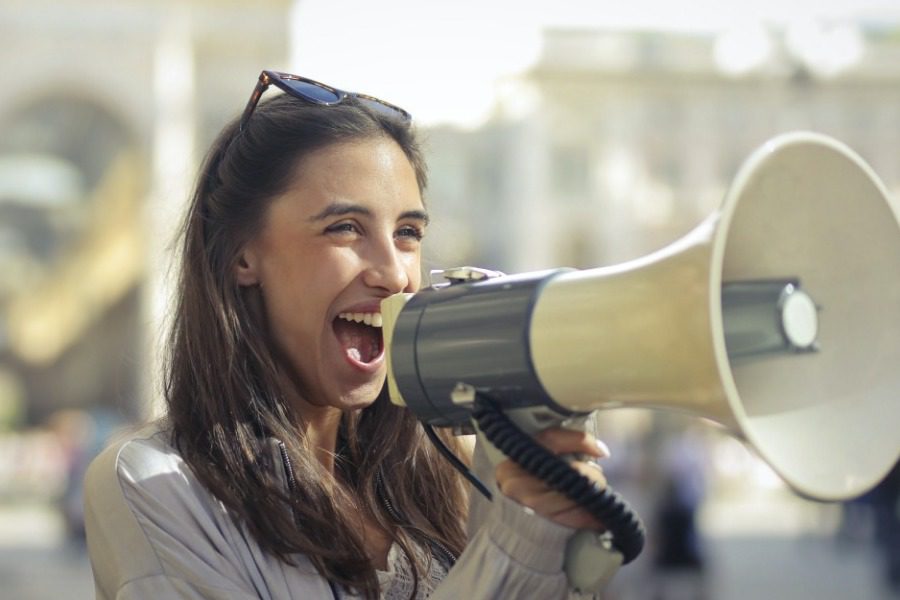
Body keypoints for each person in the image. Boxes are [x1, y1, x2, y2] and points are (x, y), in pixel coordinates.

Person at [83, 70, 610, 599]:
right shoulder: (151, 484)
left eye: (407, 233)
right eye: (346, 228)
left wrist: (563, 551)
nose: (394, 273)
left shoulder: (459, 470)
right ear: (243, 255)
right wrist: (517, 551)